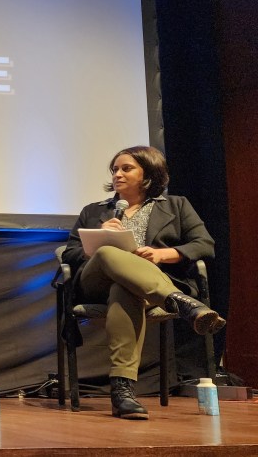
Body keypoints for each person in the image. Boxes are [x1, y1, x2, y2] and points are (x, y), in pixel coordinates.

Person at [61, 145, 225, 420]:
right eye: (115, 169)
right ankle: (181, 303)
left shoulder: (177, 205)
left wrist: (164, 254)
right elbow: (70, 254)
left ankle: (122, 392)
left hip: (147, 286)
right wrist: (98, 239)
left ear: (148, 173)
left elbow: (205, 244)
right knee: (107, 252)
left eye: (126, 169)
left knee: (124, 289)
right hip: (95, 284)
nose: (118, 175)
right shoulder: (94, 211)